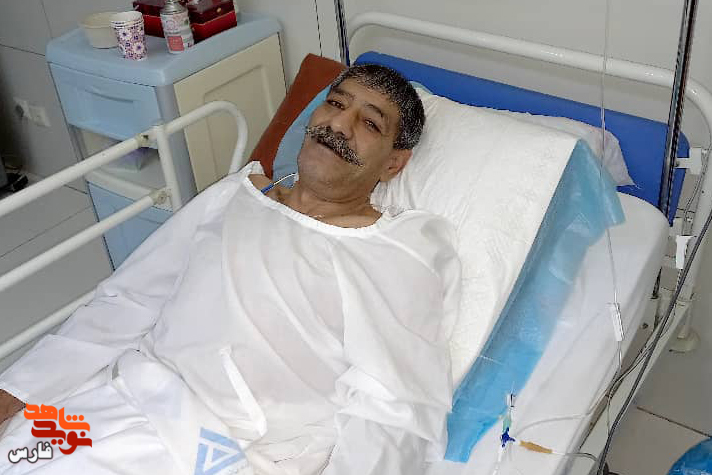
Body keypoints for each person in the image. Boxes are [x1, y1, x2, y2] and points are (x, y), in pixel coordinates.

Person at [0, 64, 461, 474]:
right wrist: (19, 389)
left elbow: (392, 409)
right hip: (128, 397)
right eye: (335, 104)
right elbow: (129, 298)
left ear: (394, 163)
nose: (338, 124)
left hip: (233, 448)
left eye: (370, 123)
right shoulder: (234, 196)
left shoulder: (395, 254)